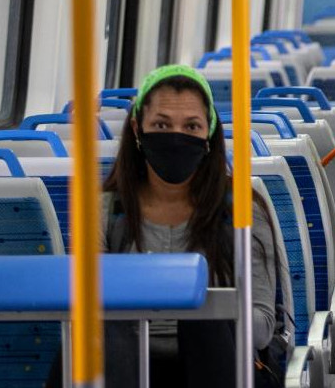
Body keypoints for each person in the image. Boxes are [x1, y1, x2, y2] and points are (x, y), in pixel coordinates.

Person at [101, 64, 286, 387]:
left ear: (209, 134)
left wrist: (201, 300)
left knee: (202, 321)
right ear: (136, 128)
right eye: (161, 124)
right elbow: (84, 307)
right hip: (131, 361)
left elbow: (261, 328)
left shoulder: (241, 209)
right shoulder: (106, 210)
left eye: (191, 126)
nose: (176, 138)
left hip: (220, 360)